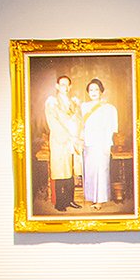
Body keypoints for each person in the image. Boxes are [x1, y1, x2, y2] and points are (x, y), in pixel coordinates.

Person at [44, 74, 81, 211]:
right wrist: (67, 136)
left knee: (71, 170)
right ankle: (60, 202)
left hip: (72, 140)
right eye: (62, 84)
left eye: (67, 85)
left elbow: (79, 120)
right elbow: (52, 122)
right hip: (60, 140)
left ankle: (70, 200)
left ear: (70, 87)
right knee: (60, 170)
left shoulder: (74, 103)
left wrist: (76, 135)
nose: (65, 87)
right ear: (57, 86)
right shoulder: (52, 102)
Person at [79, 78, 118, 206]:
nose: (94, 92)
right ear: (88, 92)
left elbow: (112, 128)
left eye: (96, 89)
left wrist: (107, 144)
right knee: (90, 170)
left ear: (101, 91)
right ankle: (91, 197)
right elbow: (80, 125)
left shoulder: (109, 108)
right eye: (91, 90)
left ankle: (100, 200)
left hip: (102, 143)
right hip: (88, 142)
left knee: (101, 171)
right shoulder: (83, 107)